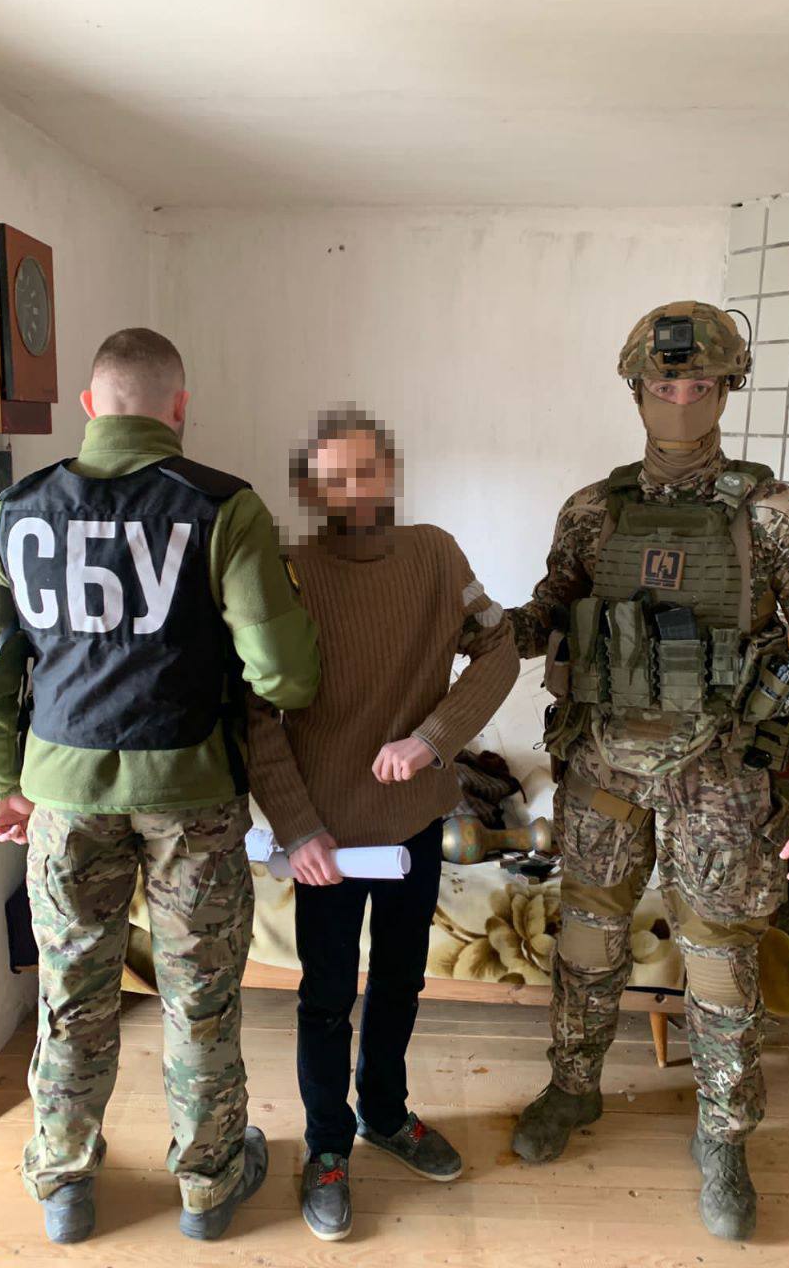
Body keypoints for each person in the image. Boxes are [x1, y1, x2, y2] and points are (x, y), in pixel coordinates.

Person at [507, 302, 789, 1241]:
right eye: (665, 384)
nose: (681, 400)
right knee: (586, 941)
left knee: (718, 961)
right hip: (604, 768)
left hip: (719, 778)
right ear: (636, 390)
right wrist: (479, 625)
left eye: (700, 384)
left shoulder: (774, 518)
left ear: (727, 389)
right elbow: (550, 610)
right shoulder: (592, 511)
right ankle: (573, 1087)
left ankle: (724, 1136)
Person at [0, 328, 320, 1245]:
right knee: (200, 997)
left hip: (63, 799)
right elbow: (285, 676)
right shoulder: (222, 507)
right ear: (179, 407)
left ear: (89, 407)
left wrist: (0, 781)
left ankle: (65, 1186)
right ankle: (208, 1187)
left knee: (72, 994)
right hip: (192, 797)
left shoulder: (14, 513)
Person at [246, 406, 519, 1241]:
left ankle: (387, 1114)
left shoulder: (436, 556)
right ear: (310, 489)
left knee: (401, 982)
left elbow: (501, 647)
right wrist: (297, 829)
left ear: (390, 473)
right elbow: (254, 714)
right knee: (327, 997)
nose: (353, 490)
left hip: (413, 825)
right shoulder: (288, 574)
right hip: (325, 840)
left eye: (366, 470)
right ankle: (328, 1148)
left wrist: (434, 739)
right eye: (333, 478)